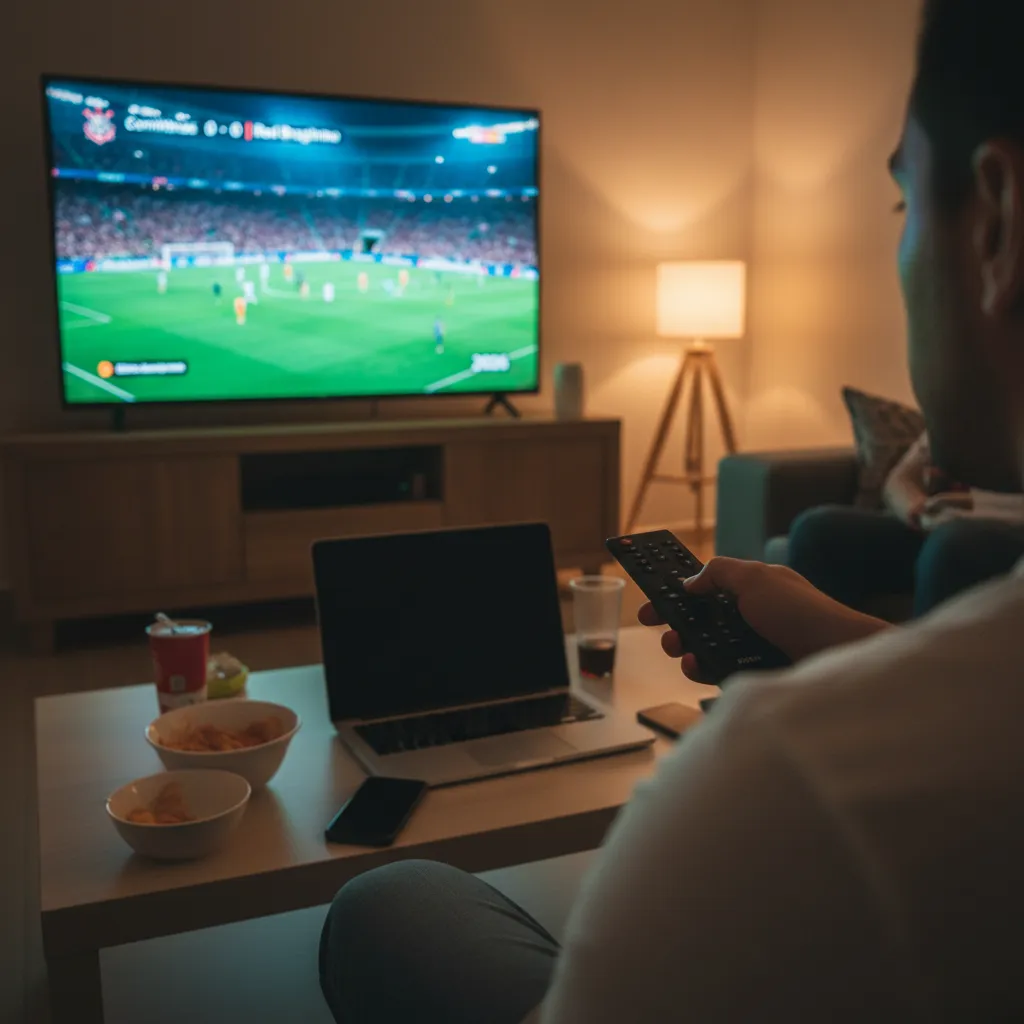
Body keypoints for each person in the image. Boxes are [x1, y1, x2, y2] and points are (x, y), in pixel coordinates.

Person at [318, 2, 1024, 1021]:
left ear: (995, 221)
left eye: (901, 202)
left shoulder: (786, 777)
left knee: (384, 897)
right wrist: (838, 636)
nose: (902, 241)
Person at [788, 430, 1024, 616]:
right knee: (818, 531)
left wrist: (972, 516)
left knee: (952, 545)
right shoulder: (967, 406)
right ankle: (811, 671)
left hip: (999, 534)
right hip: (939, 525)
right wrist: (918, 510)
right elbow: (899, 479)